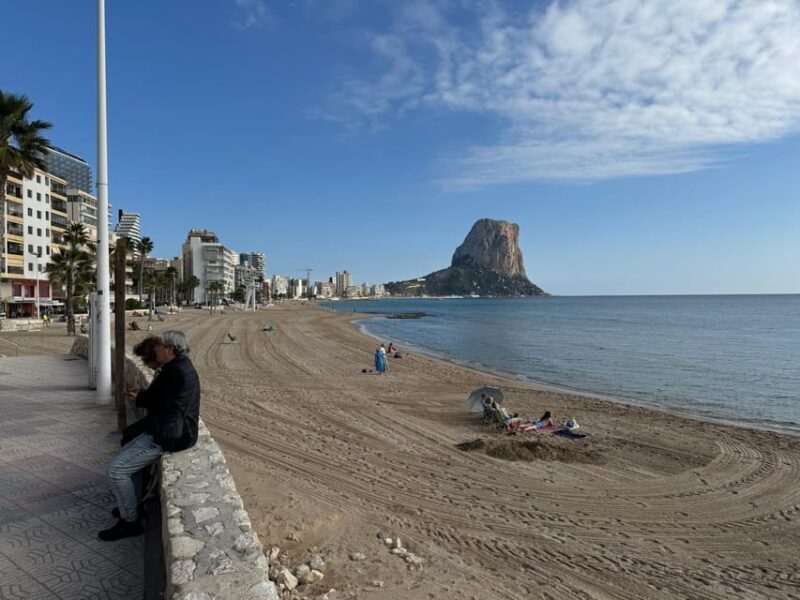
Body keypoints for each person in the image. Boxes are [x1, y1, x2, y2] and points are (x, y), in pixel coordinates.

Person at [99, 330, 201, 541]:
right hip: (170, 430)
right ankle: (133, 507)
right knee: (127, 449)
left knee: (117, 471)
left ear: (170, 349)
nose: (156, 349)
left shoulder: (174, 372)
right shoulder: (180, 367)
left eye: (159, 346)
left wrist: (140, 397)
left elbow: (156, 401)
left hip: (170, 435)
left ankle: (130, 522)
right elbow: (162, 399)